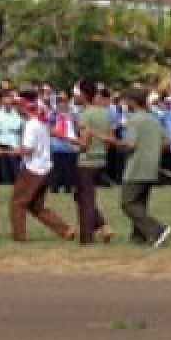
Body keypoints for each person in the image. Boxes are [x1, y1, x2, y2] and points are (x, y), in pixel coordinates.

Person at [9, 93, 75, 243]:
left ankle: (19, 236)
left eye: (18, 105)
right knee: (36, 206)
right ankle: (65, 230)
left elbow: (27, 150)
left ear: (23, 106)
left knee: (18, 203)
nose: (16, 108)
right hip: (46, 168)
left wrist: (4, 152)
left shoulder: (31, 124)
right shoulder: (42, 122)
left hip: (33, 170)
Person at [116, 87, 171, 247]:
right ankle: (140, 236)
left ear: (133, 102)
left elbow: (130, 145)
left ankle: (157, 230)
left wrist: (114, 143)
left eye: (126, 101)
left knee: (127, 203)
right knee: (140, 202)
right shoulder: (154, 119)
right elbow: (167, 143)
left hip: (136, 166)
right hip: (152, 165)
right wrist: (152, 150)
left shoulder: (134, 120)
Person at [70, 81, 114, 245]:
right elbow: (110, 141)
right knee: (80, 195)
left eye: (76, 93)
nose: (74, 96)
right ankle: (103, 226)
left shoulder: (85, 114)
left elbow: (84, 143)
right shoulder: (105, 113)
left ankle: (87, 238)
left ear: (83, 94)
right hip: (101, 159)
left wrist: (62, 136)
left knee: (86, 200)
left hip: (86, 161)